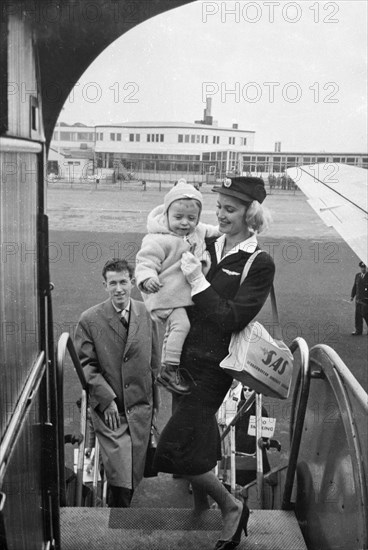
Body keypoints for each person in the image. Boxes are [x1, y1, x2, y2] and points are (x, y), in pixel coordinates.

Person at [153, 176, 275, 549]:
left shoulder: (259, 262)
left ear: (250, 214)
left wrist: (196, 280)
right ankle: (202, 506)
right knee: (197, 442)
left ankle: (231, 505)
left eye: (230, 209)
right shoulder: (206, 241)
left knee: (171, 449)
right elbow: (165, 229)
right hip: (181, 360)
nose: (220, 215)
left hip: (214, 369)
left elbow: (231, 317)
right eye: (219, 207)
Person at [74, 258, 160, 508]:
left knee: (133, 476)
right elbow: (85, 365)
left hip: (140, 410)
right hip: (111, 412)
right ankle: (116, 525)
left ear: (132, 282)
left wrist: (155, 407)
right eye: (113, 283)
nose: (119, 288)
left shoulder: (147, 313)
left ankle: (115, 516)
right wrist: (106, 399)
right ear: (105, 285)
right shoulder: (89, 319)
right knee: (122, 479)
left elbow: (155, 361)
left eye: (124, 281)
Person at [135, 178, 220, 395]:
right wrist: (146, 278)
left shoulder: (197, 231)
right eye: (178, 217)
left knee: (178, 328)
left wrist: (238, 230)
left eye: (191, 218)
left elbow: (216, 231)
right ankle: (169, 371)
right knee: (181, 325)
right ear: (166, 216)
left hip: (177, 296)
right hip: (163, 293)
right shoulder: (158, 238)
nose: (185, 223)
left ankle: (170, 365)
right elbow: (144, 261)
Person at [350, 261, 368, 335]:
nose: (363, 269)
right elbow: (355, 286)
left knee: (365, 314)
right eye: (362, 267)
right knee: (358, 315)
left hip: (366, 299)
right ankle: (358, 330)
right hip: (358, 298)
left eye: (364, 267)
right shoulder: (357, 275)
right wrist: (352, 296)